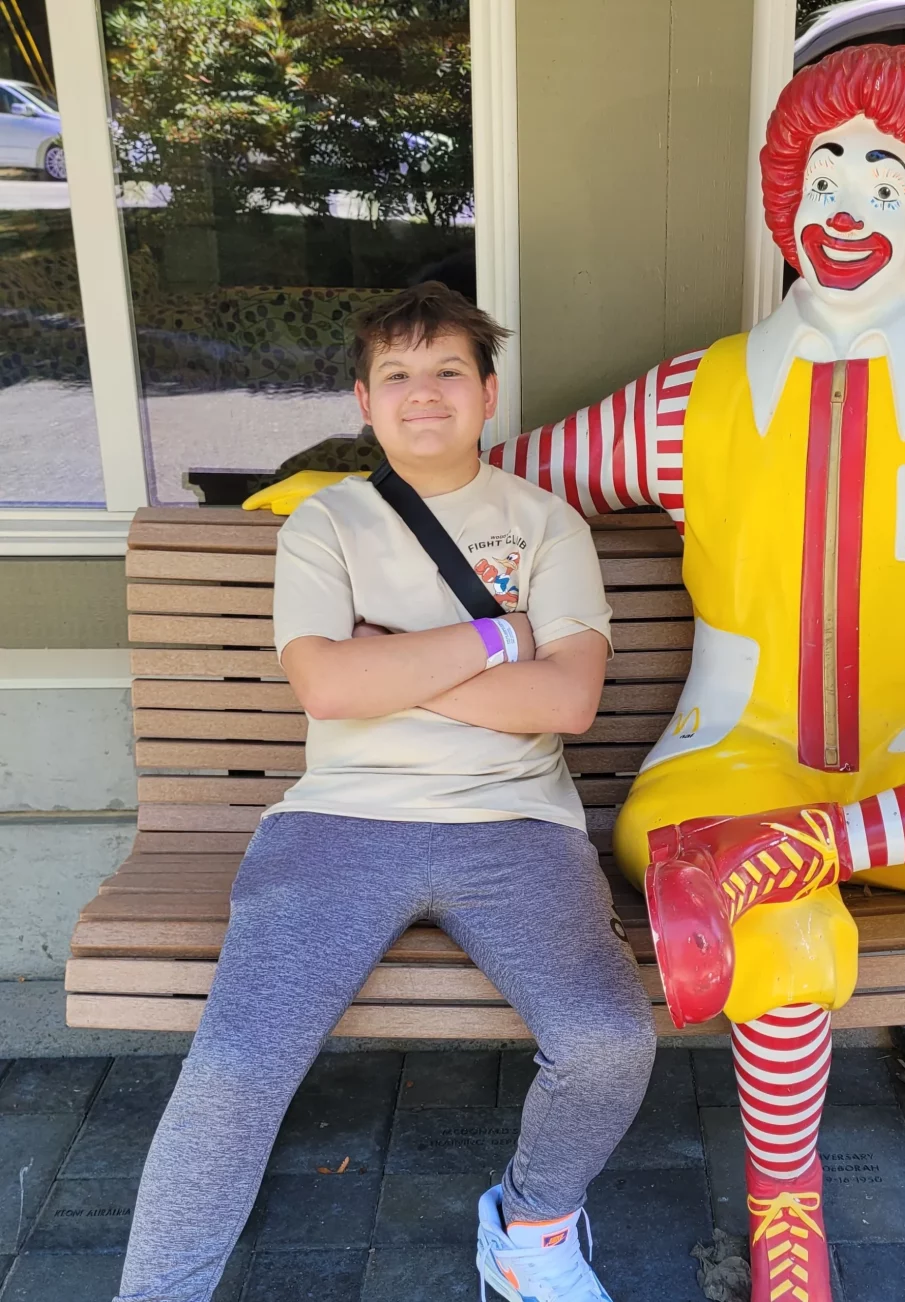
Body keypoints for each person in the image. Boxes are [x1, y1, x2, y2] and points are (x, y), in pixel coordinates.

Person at [246, 46, 905, 1302]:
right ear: (783, 196)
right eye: (824, 169)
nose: (848, 202)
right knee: (777, 921)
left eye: (884, 172)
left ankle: (810, 838)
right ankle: (786, 1230)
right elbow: (501, 465)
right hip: (725, 769)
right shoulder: (694, 398)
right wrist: (351, 483)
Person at [115, 283, 656, 1302]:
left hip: (516, 829)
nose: (423, 394)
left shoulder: (546, 525)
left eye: (448, 370)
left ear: (487, 393)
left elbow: (570, 702)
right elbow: (327, 685)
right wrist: (500, 640)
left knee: (608, 1041)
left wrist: (396, 665)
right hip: (338, 825)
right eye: (396, 376)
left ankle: (532, 1226)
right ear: (363, 402)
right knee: (233, 1067)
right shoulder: (326, 524)